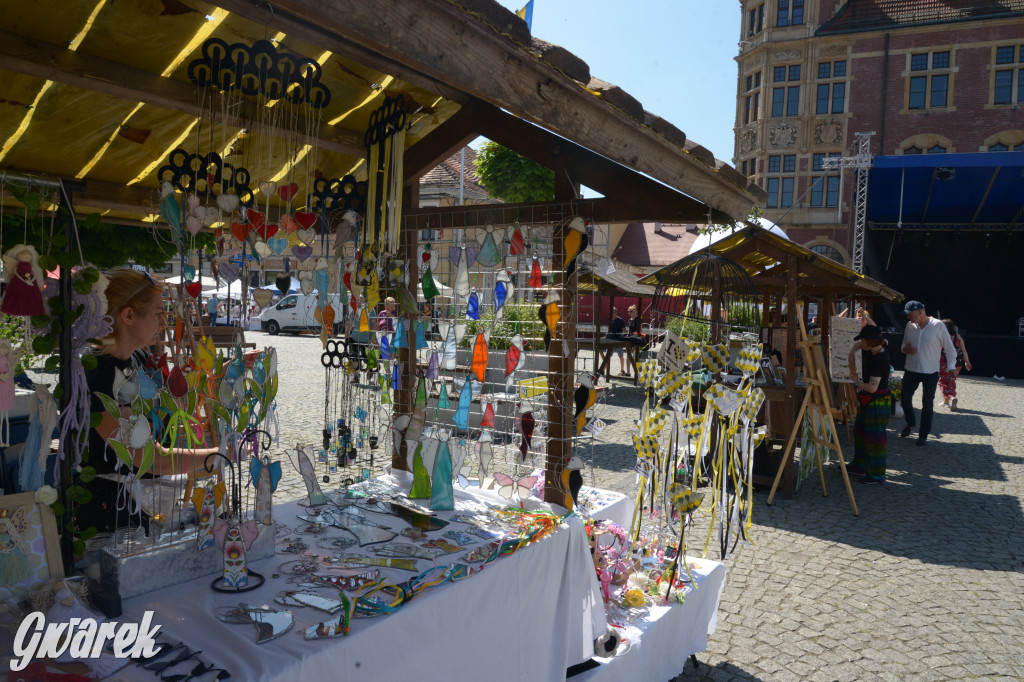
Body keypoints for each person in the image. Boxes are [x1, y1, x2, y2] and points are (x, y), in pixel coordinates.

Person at [81, 267, 219, 533]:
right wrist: (217, 456)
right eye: (158, 314)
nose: (164, 323)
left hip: (144, 508)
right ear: (129, 315)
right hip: (110, 520)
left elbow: (178, 401)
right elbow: (148, 457)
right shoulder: (95, 376)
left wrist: (225, 375)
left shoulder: (141, 359)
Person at [900, 300, 957, 446]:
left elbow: (950, 349)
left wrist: (951, 366)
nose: (908, 318)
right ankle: (911, 423)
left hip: (930, 371)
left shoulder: (938, 326)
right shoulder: (910, 326)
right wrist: (905, 349)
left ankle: (923, 435)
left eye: (910, 314)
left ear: (921, 312)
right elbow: (903, 346)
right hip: (911, 369)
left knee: (927, 403)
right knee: (905, 399)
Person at [845, 325, 891, 484]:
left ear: (870, 341)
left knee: (874, 437)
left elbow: (872, 388)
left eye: (863, 340)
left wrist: (856, 380)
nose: (861, 343)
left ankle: (877, 474)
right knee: (859, 429)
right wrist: (852, 353)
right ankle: (860, 464)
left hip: (878, 403)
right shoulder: (871, 349)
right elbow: (856, 346)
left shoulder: (881, 358)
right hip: (867, 401)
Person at [939, 318, 972, 411]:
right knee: (951, 381)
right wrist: (967, 362)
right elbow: (964, 350)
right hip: (957, 363)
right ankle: (947, 401)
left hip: (943, 362)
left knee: (943, 381)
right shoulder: (958, 337)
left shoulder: (941, 336)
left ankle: (950, 398)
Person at [607, 306, 628, 376]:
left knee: (621, 356)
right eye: (612, 312)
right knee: (608, 355)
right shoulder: (610, 320)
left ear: (616, 313)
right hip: (611, 340)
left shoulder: (620, 320)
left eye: (614, 312)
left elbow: (624, 330)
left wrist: (624, 338)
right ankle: (603, 370)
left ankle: (622, 370)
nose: (613, 314)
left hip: (618, 340)